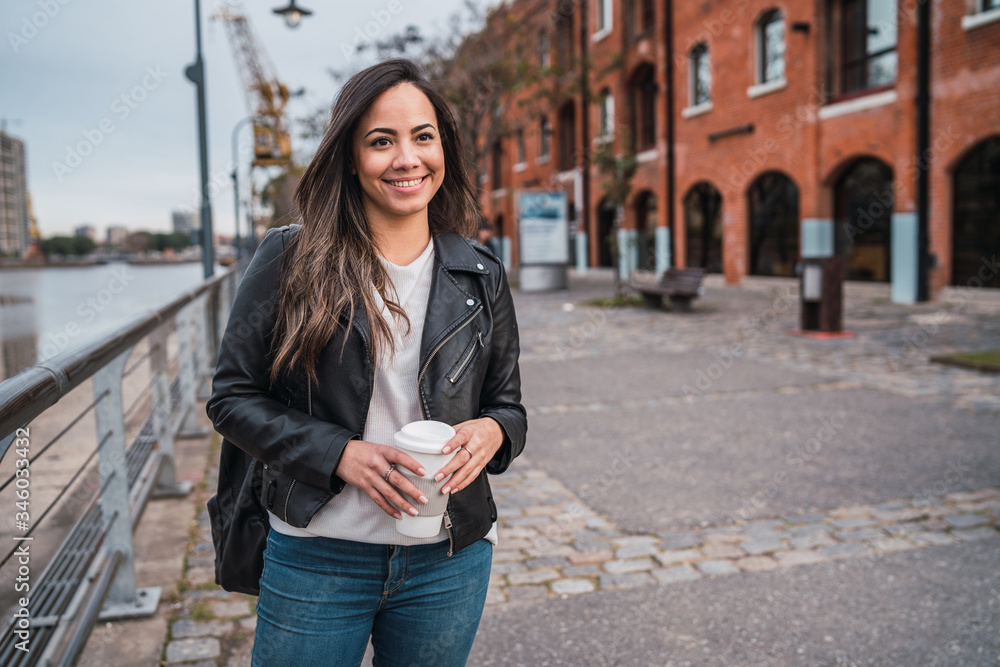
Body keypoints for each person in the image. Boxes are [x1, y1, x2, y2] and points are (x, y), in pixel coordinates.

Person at [206, 58, 527, 667]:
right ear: (351, 157)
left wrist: (492, 431)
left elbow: (508, 407)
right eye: (382, 141)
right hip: (317, 555)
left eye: (423, 137)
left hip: (450, 558)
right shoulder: (290, 258)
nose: (408, 159)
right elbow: (231, 399)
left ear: (444, 150)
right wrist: (339, 453)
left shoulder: (479, 273)